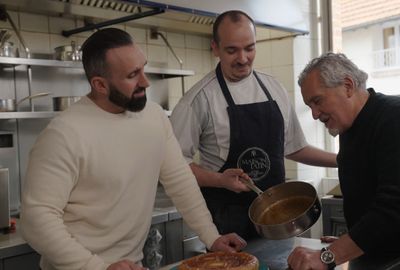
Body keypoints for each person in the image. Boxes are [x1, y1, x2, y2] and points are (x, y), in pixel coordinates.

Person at [20, 28, 246, 270]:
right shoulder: (64, 134)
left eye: (143, 68)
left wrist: (211, 237)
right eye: (132, 75)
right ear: (100, 84)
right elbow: (37, 219)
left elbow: (181, 182)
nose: (145, 82)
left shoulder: (154, 118)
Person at [287, 52, 400, 270]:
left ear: (348, 85)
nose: (315, 114)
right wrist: (350, 242)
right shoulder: (350, 129)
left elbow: (394, 207)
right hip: (390, 255)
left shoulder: (396, 119)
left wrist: (329, 256)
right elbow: (368, 196)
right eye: (310, 106)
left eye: (317, 101)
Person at [169, 9, 337, 241]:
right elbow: (175, 168)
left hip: (279, 219)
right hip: (228, 224)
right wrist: (220, 180)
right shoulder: (197, 101)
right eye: (231, 50)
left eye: (249, 48)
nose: (242, 58)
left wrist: (342, 160)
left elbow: (295, 147)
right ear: (215, 48)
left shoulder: (274, 89)